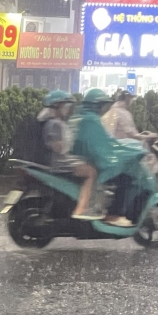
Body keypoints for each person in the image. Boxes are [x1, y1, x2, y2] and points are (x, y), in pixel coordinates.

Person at [72, 88, 150, 227]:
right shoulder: (92, 120)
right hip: (96, 161)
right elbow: (106, 145)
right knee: (125, 179)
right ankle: (113, 215)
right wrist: (128, 151)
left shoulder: (80, 116)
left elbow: (103, 142)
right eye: (102, 105)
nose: (103, 109)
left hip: (85, 159)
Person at [40, 90, 101, 221]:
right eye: (65, 106)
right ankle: (81, 209)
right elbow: (58, 147)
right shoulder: (55, 124)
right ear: (57, 106)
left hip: (61, 160)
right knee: (91, 172)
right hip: (60, 163)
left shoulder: (55, 122)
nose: (67, 110)